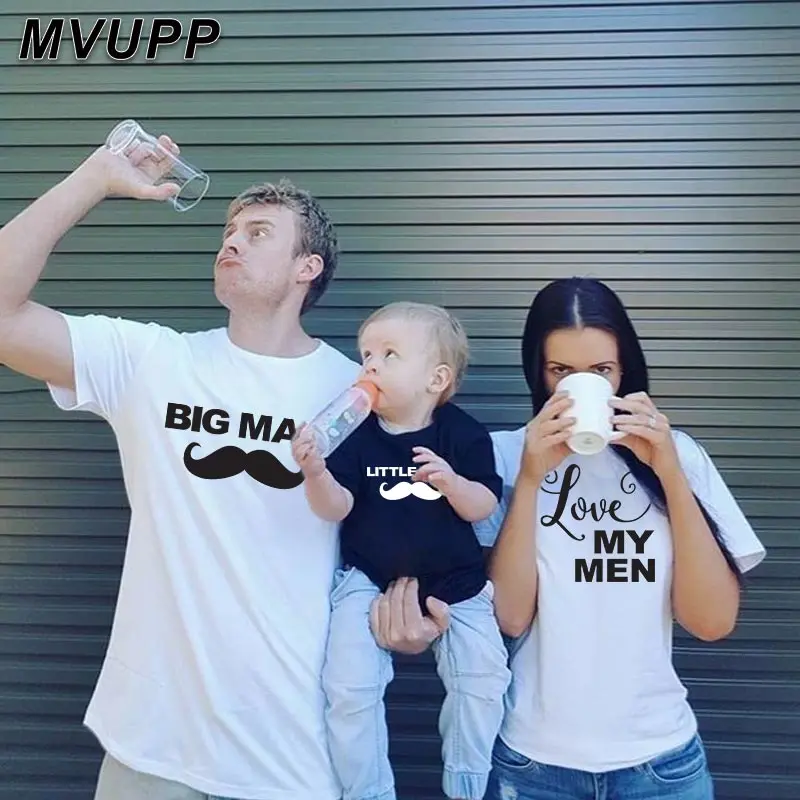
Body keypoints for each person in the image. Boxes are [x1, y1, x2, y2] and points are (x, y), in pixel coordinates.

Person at [0, 133, 366, 800]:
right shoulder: (152, 361)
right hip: (151, 752)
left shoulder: (355, 393)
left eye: (258, 233)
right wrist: (94, 178)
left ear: (306, 268)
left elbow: (403, 536)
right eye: (229, 231)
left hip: (289, 759)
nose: (232, 242)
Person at [372, 277, 766, 800]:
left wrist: (669, 472)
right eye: (561, 371)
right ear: (538, 371)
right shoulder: (500, 457)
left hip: (662, 764)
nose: (581, 384)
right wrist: (532, 477)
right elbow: (510, 617)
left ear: (623, 371)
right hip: (533, 767)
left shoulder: (678, 454)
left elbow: (712, 621)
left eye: (600, 370)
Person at [291, 301, 512, 800]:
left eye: (389, 354)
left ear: (437, 379)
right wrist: (316, 473)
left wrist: (452, 482)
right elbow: (336, 508)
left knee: (483, 680)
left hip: (457, 580)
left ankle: (468, 784)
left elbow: (483, 505)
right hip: (369, 576)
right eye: (366, 355)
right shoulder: (355, 435)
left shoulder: (463, 433)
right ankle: (367, 791)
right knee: (348, 687)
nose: (370, 366)